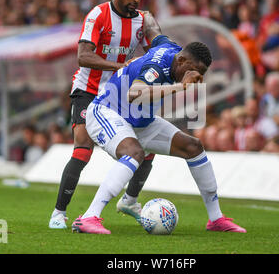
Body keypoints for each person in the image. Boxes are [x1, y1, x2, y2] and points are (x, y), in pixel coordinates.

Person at [71, 35, 246, 234]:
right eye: (193, 71)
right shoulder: (155, 68)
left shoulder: (172, 48)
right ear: (181, 61)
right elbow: (135, 94)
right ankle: (88, 217)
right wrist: (181, 86)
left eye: (200, 74)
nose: (195, 77)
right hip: (108, 112)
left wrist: (146, 16)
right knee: (134, 153)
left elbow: (155, 33)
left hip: (140, 121)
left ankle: (216, 219)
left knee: (193, 147)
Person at [49, 0, 161, 229]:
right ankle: (59, 213)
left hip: (119, 95)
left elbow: (155, 53)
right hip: (88, 90)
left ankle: (130, 200)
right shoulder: (98, 15)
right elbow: (83, 56)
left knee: (148, 146)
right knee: (83, 147)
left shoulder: (142, 21)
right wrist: (119, 66)